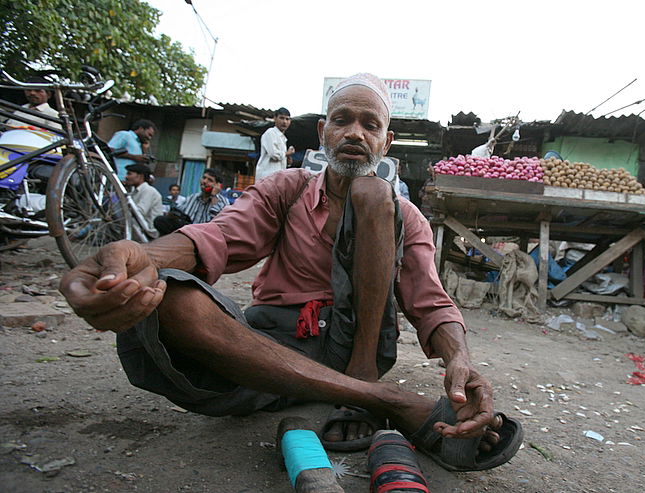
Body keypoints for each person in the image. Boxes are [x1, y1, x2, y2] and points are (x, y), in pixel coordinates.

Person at [58, 73, 522, 472]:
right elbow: (216, 238)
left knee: (374, 194)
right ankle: (374, 397)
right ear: (323, 132)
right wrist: (144, 258)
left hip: (358, 344)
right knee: (164, 294)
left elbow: (429, 299)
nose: (355, 133)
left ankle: (361, 380)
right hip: (269, 349)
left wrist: (459, 359)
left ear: (386, 141)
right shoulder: (286, 189)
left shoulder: (406, 214)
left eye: (370, 125)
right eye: (342, 121)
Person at [153, 168, 227, 236]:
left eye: (210, 180)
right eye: (204, 178)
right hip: (187, 231)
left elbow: (217, 224)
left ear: (217, 185)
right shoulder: (193, 197)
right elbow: (180, 211)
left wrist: (214, 196)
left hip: (204, 235)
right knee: (160, 220)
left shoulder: (222, 202)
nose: (204, 182)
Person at [255, 108, 295, 181]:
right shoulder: (270, 133)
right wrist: (287, 153)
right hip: (266, 178)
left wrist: (288, 158)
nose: (284, 122)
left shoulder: (283, 138)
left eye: (287, 119)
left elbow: (281, 159)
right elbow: (274, 154)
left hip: (277, 179)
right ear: (275, 119)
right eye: (281, 118)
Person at [125, 164, 162, 240]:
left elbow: (140, 212)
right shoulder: (135, 191)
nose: (126, 177)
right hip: (138, 229)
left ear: (140, 176)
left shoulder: (148, 190)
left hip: (148, 232)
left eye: (129, 174)